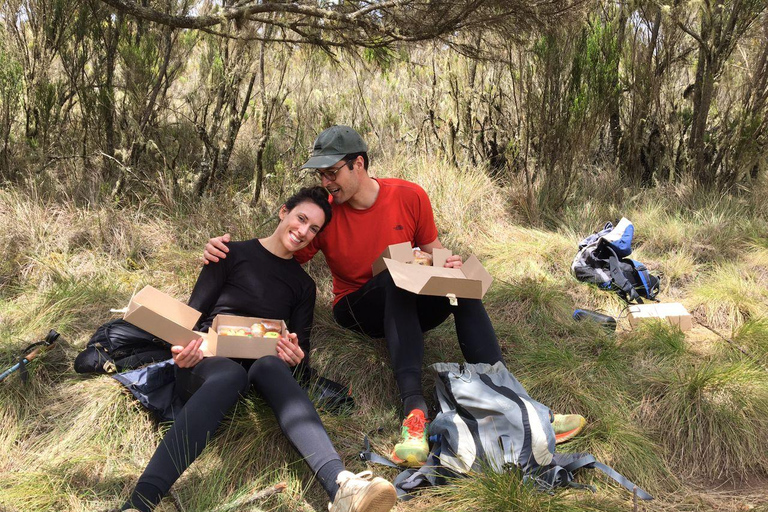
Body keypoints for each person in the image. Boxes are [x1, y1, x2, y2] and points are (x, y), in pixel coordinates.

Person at [204, 126, 586, 468]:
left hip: (406, 299)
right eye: (320, 174)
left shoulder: (409, 195)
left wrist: (449, 264)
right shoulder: (325, 214)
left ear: (358, 164)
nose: (326, 181)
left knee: (462, 287)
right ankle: (413, 417)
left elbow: (433, 253)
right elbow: (282, 252)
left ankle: (517, 403)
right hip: (356, 306)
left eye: (332, 172)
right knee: (393, 279)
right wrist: (228, 254)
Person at [121, 186, 396, 512]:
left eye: (313, 229)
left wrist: (294, 356)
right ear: (284, 212)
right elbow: (190, 320)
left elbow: (299, 352)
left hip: (261, 368)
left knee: (269, 365)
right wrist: (183, 351)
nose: (303, 232)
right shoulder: (229, 254)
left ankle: (342, 487)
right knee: (230, 376)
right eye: (301, 219)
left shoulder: (303, 286)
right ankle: (140, 503)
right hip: (208, 363)